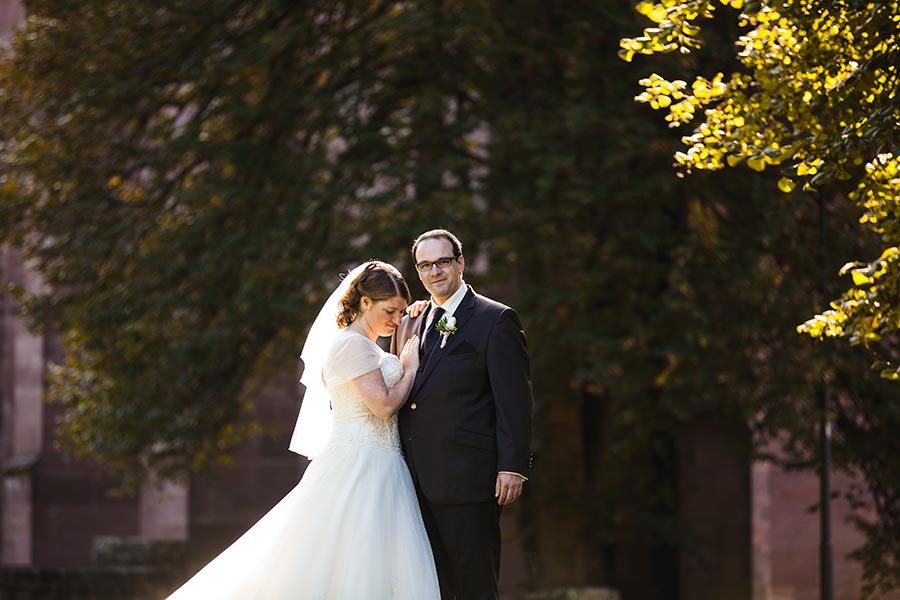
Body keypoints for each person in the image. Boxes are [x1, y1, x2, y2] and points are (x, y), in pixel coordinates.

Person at [165, 261, 440, 599]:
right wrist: (409, 369)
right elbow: (383, 407)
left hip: (383, 463)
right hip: (360, 464)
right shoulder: (352, 346)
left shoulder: (369, 346)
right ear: (364, 302)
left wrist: (415, 316)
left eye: (399, 311)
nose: (396, 320)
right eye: (390, 310)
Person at [390, 229, 533, 600]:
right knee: (430, 586)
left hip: (468, 479)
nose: (434, 271)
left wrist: (512, 465)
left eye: (442, 261)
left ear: (460, 263)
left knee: (475, 584)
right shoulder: (409, 322)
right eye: (425, 265)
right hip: (412, 480)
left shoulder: (495, 319)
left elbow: (514, 399)